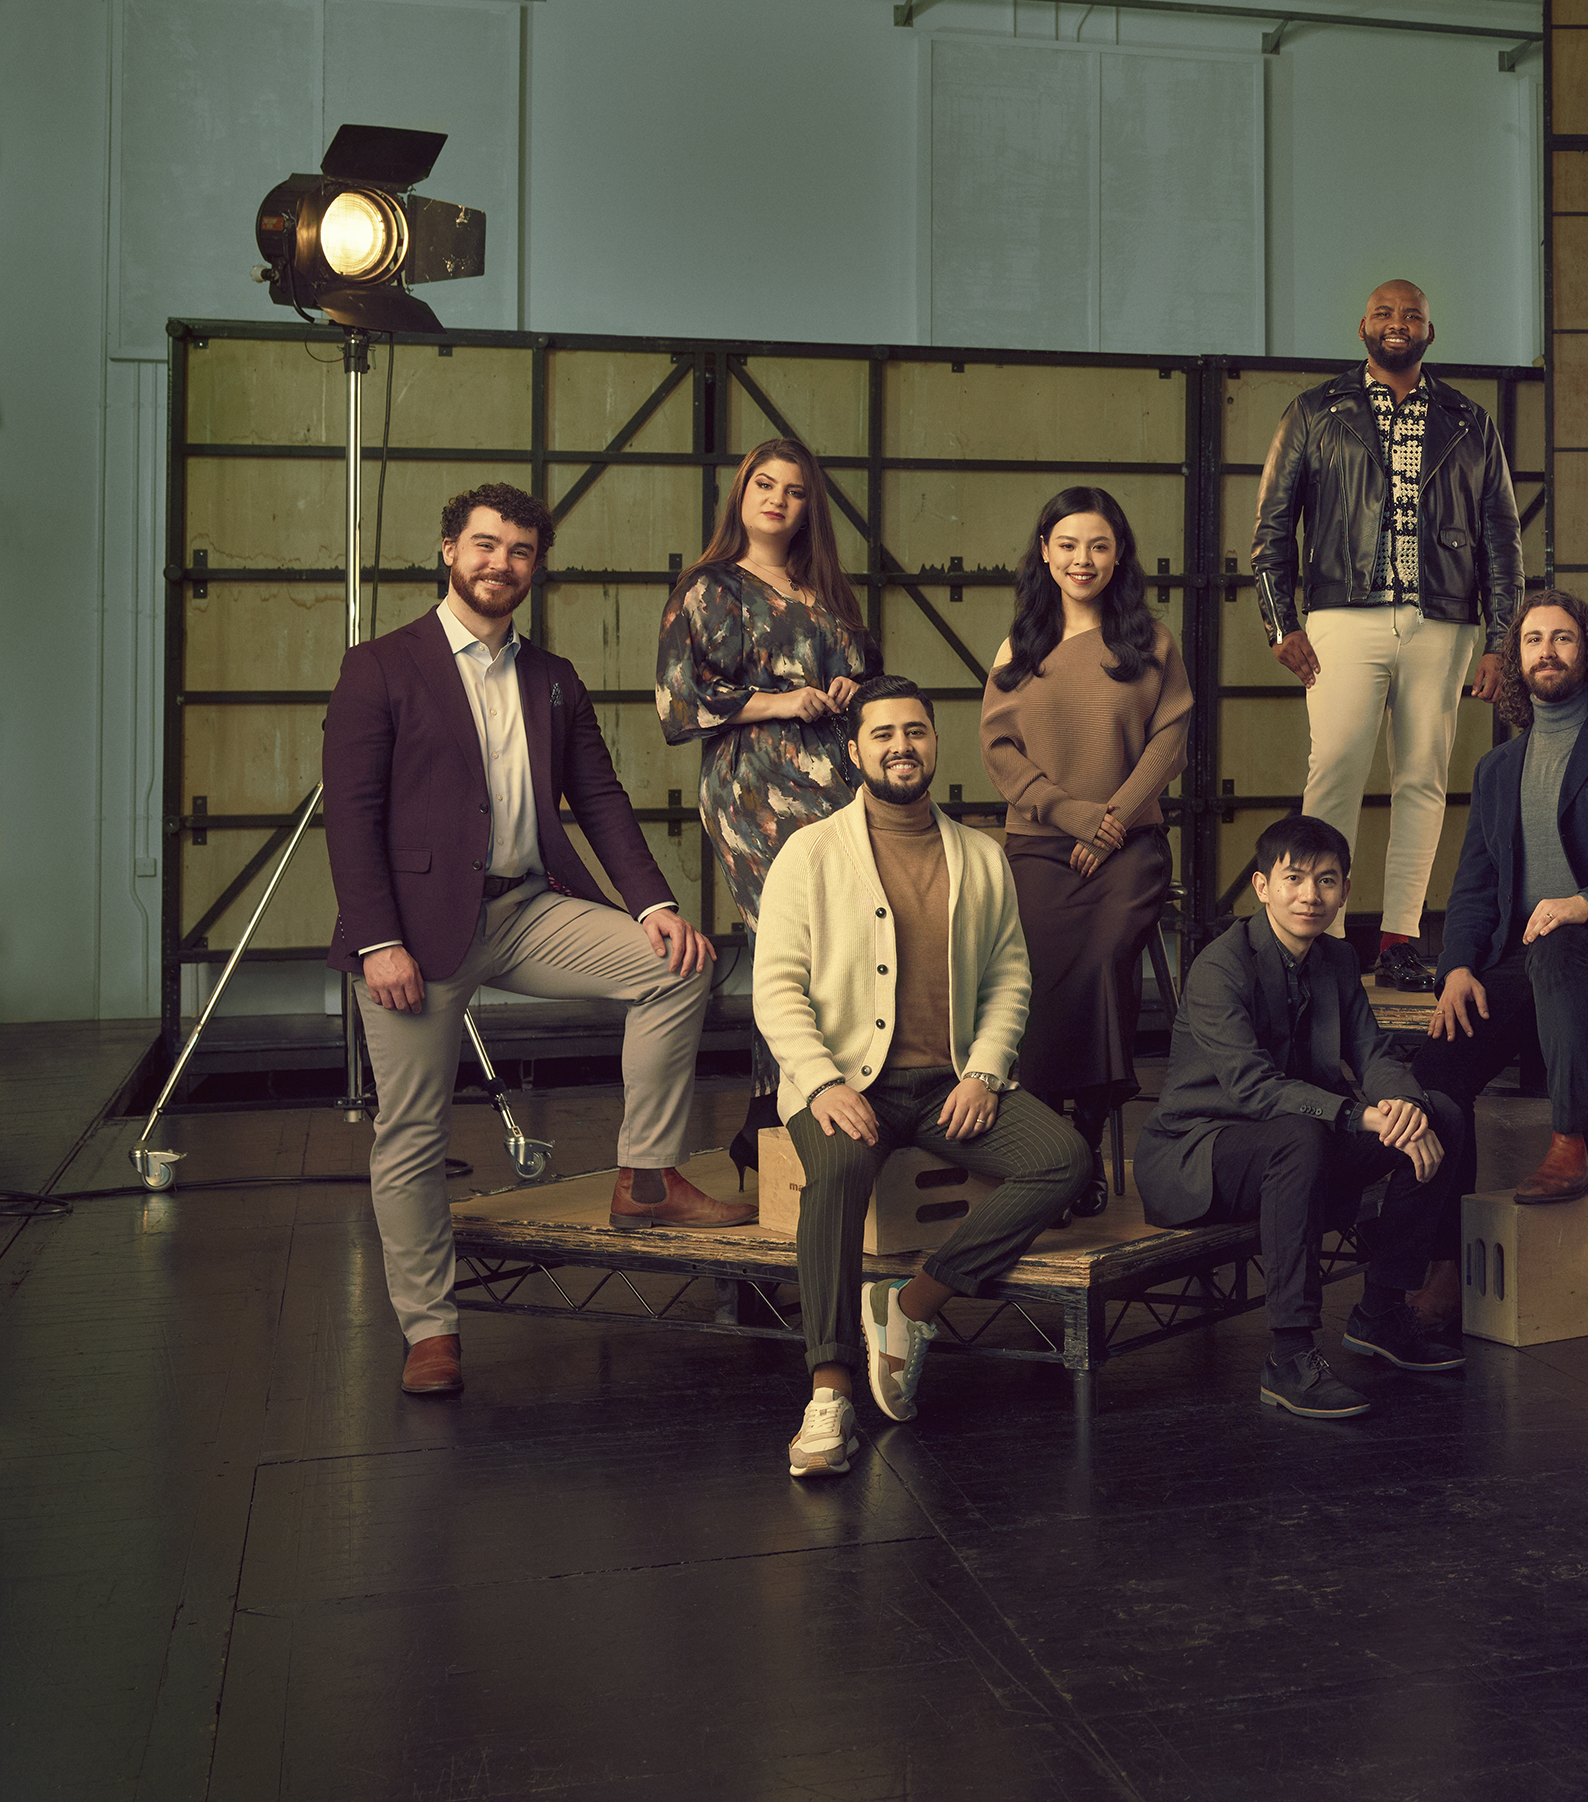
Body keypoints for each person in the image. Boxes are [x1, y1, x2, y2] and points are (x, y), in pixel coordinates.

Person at [326, 483, 742, 1399]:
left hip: (524, 909)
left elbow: (598, 799)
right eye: (484, 545)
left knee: (674, 969)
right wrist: (374, 940)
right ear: (448, 550)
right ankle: (431, 1330)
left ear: (534, 566)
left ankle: (644, 1176)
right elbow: (350, 820)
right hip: (414, 935)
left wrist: (653, 906)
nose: (499, 565)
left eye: (518, 551)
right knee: (411, 1134)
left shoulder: (552, 678)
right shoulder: (381, 667)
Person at [753, 679, 1088, 1477]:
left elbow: (1010, 976)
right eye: (883, 734)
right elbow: (775, 985)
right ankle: (829, 1391)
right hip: (842, 1083)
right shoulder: (810, 851)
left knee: (1063, 1159)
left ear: (936, 744)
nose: (901, 745)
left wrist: (985, 1070)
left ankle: (912, 1305)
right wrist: (823, 1082)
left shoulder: (980, 855)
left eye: (916, 731)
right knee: (833, 1174)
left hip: (949, 1085)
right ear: (855, 751)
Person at [1138, 816, 1470, 1418]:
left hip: (1303, 1142)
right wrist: (1361, 1118)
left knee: (1441, 1113)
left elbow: (1374, 1054)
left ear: (1344, 889)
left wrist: (1406, 1110)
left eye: (1327, 880)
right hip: (1200, 1154)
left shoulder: (1337, 960)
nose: (1310, 896)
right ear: (1262, 886)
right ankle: (1289, 1356)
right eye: (1294, 878)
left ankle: (1380, 1311)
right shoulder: (1220, 967)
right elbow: (1253, 1088)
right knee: (1297, 1135)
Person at [1249, 279, 1524, 995]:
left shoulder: (1469, 420)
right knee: (1334, 769)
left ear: (1430, 332)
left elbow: (1502, 537)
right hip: (1342, 614)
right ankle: (1324, 936)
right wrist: (1281, 623)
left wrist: (1499, 638)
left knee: (1424, 779)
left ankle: (1402, 937)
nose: (1398, 324)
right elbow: (1272, 528)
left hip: (1444, 620)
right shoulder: (1314, 412)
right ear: (1362, 326)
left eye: (1413, 315)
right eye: (1385, 313)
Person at [1418, 589, 1588, 1204]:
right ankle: (1438, 1260)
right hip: (1514, 958)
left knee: (1560, 942)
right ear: (1516, 658)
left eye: (1562, 638)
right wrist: (1457, 966)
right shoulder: (1497, 768)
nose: (1548, 650)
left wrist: (1584, 903)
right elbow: (1474, 888)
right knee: (1436, 1073)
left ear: (1587, 654)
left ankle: (1573, 1143)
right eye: (1533, 639)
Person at [654, 436, 880, 1166]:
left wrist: (851, 689)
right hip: (753, 788)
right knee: (789, 941)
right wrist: (778, 703)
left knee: (843, 941)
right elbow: (677, 701)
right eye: (765, 485)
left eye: (795, 490)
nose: (778, 499)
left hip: (837, 784)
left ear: (810, 505)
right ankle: (777, 1115)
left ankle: (819, 1110)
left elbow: (862, 686)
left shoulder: (831, 593)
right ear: (742, 494)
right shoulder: (711, 586)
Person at [981, 486, 1194, 1207]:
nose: (1083, 559)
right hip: (1042, 842)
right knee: (1032, 963)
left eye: (1099, 545)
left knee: (1105, 954)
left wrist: (1113, 821)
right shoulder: (1021, 648)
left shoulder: (1150, 643)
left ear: (1119, 555)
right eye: (1068, 544)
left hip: (1129, 845)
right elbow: (1000, 751)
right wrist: (1074, 817)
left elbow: (1171, 740)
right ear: (1045, 552)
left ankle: (1088, 1126)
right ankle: (1044, 1138)